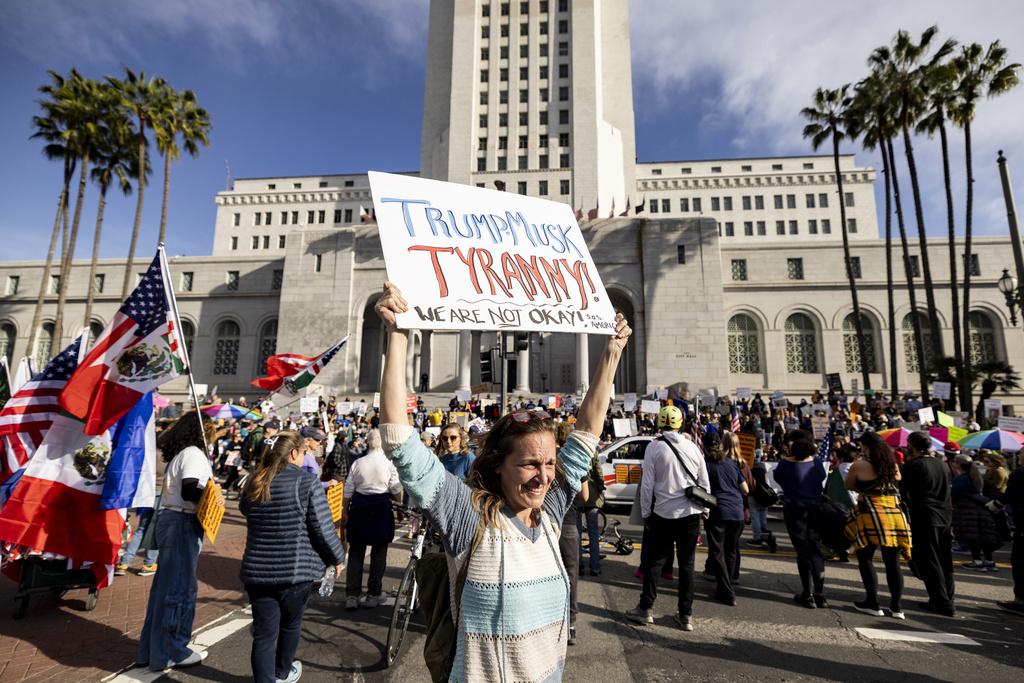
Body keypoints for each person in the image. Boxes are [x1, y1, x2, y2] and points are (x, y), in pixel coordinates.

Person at [374, 281, 630, 681]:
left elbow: (586, 434)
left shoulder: (549, 510)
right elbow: (400, 442)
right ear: (498, 466)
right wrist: (399, 335)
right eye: (529, 464)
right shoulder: (469, 517)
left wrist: (612, 352)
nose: (544, 476)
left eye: (549, 463)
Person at [240, 431, 346, 683]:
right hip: (295, 570)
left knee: (264, 634)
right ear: (294, 453)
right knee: (290, 624)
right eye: (304, 452)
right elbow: (322, 528)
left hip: (258, 569)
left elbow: (245, 510)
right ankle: (282, 672)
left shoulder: (255, 480)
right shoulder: (306, 483)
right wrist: (337, 557)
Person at [136, 412, 217, 671]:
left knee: (163, 590)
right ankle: (173, 650)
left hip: (172, 520)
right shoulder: (194, 453)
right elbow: (190, 488)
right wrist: (213, 494)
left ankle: (151, 651)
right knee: (180, 589)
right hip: (183, 522)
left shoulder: (182, 453)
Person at [626, 404, 709, 631]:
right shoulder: (693, 447)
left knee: (655, 563)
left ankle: (646, 608)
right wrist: (705, 510)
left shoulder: (654, 448)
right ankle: (685, 615)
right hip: (691, 515)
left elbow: (647, 486)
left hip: (663, 513)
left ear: (660, 423)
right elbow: (704, 482)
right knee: (687, 565)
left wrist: (645, 513)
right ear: (680, 423)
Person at [844, 432, 911, 619]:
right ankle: (897, 608)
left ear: (865, 446)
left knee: (865, 557)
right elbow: (896, 482)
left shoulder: (859, 465)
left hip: (871, 513)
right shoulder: (893, 465)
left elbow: (848, 485)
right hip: (894, 513)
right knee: (893, 562)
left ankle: (872, 603)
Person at [342, 429, 402, 609]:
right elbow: (396, 491)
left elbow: (348, 490)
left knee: (356, 552)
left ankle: (352, 595)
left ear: (367, 442)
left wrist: (344, 511)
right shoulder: (389, 463)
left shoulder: (358, 463)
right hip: (380, 508)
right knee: (379, 552)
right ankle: (373, 593)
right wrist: (398, 501)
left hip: (359, 507)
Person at [900, 430, 956, 617]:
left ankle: (941, 601)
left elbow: (904, 492)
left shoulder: (912, 465)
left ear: (912, 446)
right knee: (944, 558)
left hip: (925, 515)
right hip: (944, 515)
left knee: (929, 559)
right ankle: (947, 597)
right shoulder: (942, 464)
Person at [773, 433, 828, 608]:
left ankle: (807, 593)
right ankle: (819, 593)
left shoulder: (785, 464)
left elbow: (778, 478)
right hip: (816, 508)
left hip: (795, 509)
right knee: (815, 549)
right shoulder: (816, 463)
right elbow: (820, 478)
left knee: (802, 550)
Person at [702, 430, 748, 606]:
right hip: (736, 512)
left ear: (704, 447)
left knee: (718, 552)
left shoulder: (705, 464)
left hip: (718, 512)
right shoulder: (731, 463)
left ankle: (726, 591)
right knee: (730, 551)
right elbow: (745, 489)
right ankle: (726, 587)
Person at [952, 454, 1002, 571]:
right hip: (981, 508)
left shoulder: (961, 478)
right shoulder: (976, 476)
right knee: (984, 535)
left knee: (972, 536)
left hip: (967, 510)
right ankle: (989, 561)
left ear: (958, 464)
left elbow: (953, 492)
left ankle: (977, 561)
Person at [997, 452, 1024, 614]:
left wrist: (997, 503)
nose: (1019, 455)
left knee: (1020, 561)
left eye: (1021, 453)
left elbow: (1010, 495)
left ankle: (1020, 601)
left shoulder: (1020, 474)